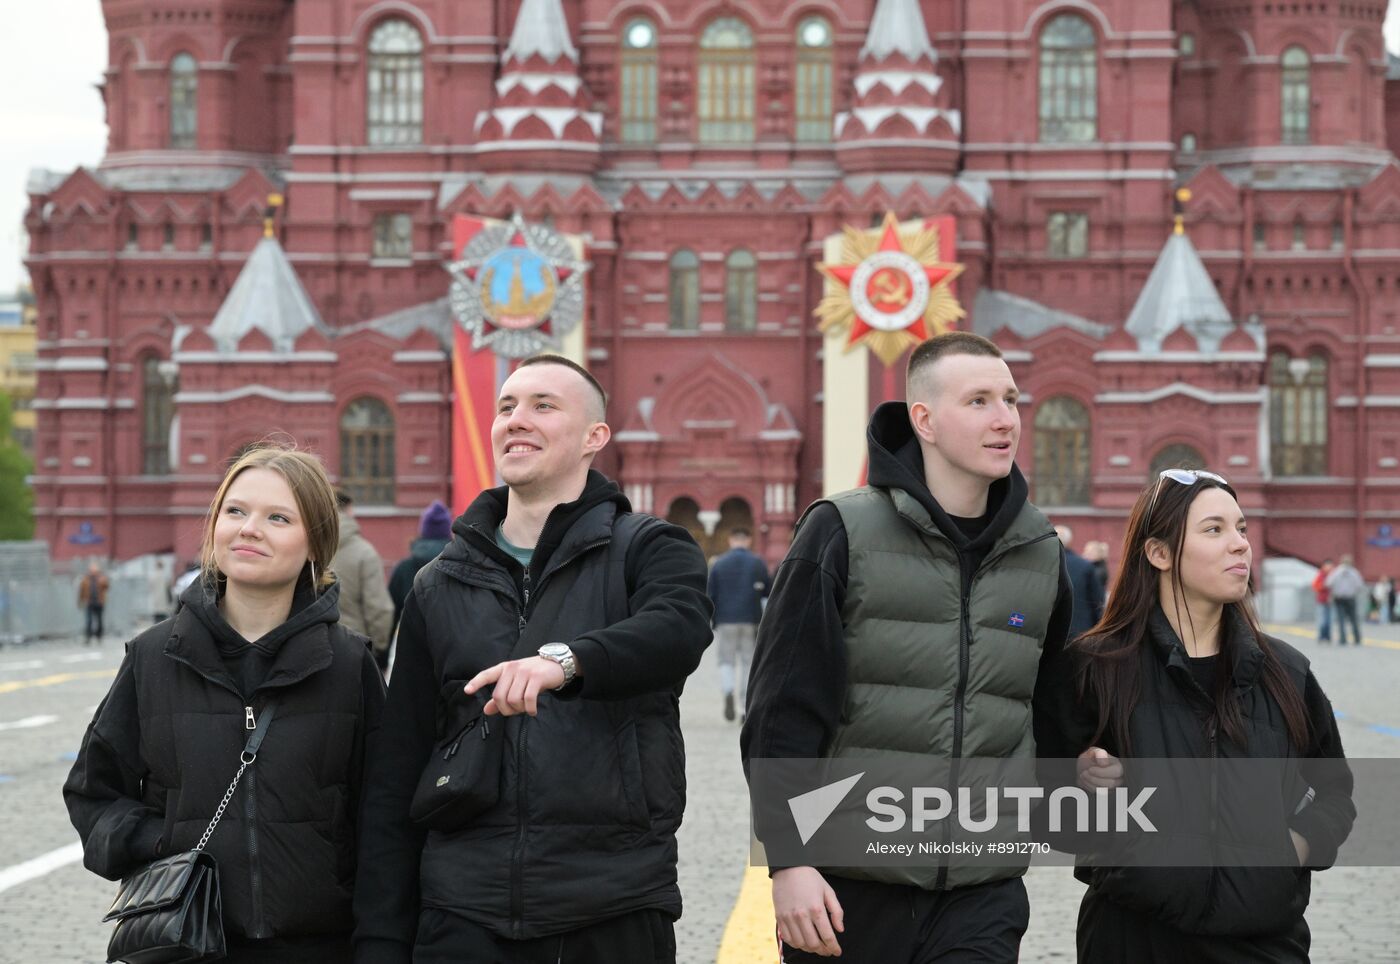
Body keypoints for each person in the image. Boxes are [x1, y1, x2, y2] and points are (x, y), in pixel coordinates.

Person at [353, 354, 713, 963]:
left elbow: (678, 629)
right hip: (463, 913)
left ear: (594, 437)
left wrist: (567, 662)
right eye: (506, 407)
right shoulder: (438, 583)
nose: (517, 419)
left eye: (543, 406)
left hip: (612, 904)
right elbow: (397, 771)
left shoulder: (648, 548)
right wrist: (381, 940)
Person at [742, 332, 1074, 962]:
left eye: (1010, 399)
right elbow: (782, 710)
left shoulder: (1041, 550)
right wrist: (788, 862)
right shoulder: (840, 530)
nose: (1006, 419)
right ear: (923, 419)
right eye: (978, 401)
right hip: (848, 891)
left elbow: (1052, 707)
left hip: (982, 891)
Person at [64, 444, 387, 962]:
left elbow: (384, 814)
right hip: (185, 943)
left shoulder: (348, 665)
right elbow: (93, 793)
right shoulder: (153, 657)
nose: (249, 528)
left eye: (278, 517)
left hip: (320, 946)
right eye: (235, 511)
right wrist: (159, 843)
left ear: (314, 544)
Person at [1034, 468, 1354, 962]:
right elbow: (1043, 808)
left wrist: (1294, 848)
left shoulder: (1287, 672)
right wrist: (1081, 786)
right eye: (1214, 529)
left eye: (1241, 528)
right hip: (1132, 943)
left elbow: (1333, 793)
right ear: (1159, 553)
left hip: (1265, 946)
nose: (1240, 545)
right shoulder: (1093, 669)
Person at [706, 526, 771, 721]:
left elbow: (711, 594)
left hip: (726, 620)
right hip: (750, 619)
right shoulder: (758, 563)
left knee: (726, 660)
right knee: (748, 662)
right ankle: (744, 708)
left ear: (731, 540)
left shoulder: (719, 563)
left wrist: (713, 620)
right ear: (748, 541)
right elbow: (767, 594)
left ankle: (728, 690)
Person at [331, 489, 396, 662]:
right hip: (354, 648)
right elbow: (378, 608)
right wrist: (378, 648)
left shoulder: (307, 548)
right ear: (349, 510)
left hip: (307, 646)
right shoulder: (364, 552)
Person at [386, 499, 453, 643]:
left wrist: (382, 659)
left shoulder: (403, 569)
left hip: (412, 650)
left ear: (423, 531)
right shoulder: (460, 567)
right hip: (452, 651)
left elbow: (390, 615)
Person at [1057, 524, 1105, 641]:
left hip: (1049, 632)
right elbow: (1097, 601)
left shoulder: (1043, 566)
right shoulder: (1085, 566)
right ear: (1070, 541)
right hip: (1080, 632)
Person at [1324, 554, 1366, 646]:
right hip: (1350, 598)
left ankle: (1343, 639)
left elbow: (1328, 583)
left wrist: (1336, 589)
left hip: (1339, 598)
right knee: (1353, 619)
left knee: (1341, 620)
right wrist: (1353, 591)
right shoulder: (1354, 572)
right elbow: (1359, 585)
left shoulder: (1336, 572)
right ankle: (1357, 639)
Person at [77, 561, 109, 645]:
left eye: (95, 570)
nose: (93, 572)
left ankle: (99, 637)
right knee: (89, 621)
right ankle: (88, 637)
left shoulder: (101, 578)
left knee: (99, 621)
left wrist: (101, 579)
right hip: (89, 603)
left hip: (99, 603)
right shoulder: (85, 579)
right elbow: (81, 591)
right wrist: (80, 601)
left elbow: (107, 586)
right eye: (92, 570)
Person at [1312, 560, 1333, 644]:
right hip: (1321, 600)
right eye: (1328, 565)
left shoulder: (1333, 574)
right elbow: (1315, 586)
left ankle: (1328, 637)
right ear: (1324, 566)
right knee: (1322, 620)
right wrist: (1324, 585)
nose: (1329, 567)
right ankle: (1321, 636)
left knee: (1329, 620)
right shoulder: (1320, 575)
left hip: (1330, 601)